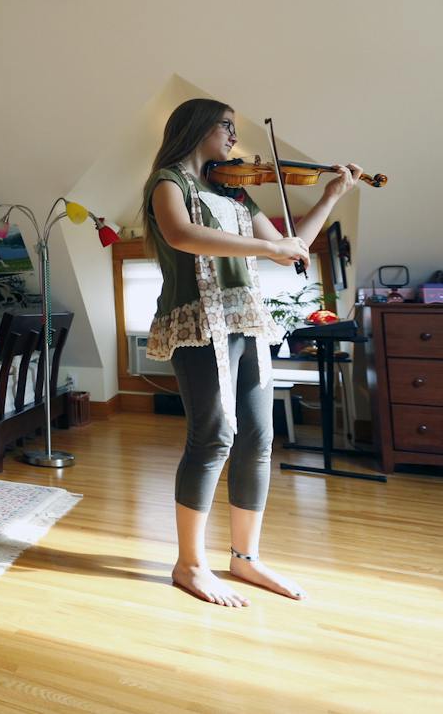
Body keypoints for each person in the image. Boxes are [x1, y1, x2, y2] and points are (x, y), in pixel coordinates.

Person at [142, 99, 360, 607]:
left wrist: (330, 196)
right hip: (198, 322)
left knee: (259, 435)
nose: (234, 139)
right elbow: (182, 235)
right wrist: (267, 250)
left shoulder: (234, 190)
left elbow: (294, 245)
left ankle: (246, 558)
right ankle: (189, 564)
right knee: (214, 434)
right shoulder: (169, 182)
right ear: (197, 128)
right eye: (226, 127)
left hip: (245, 319)